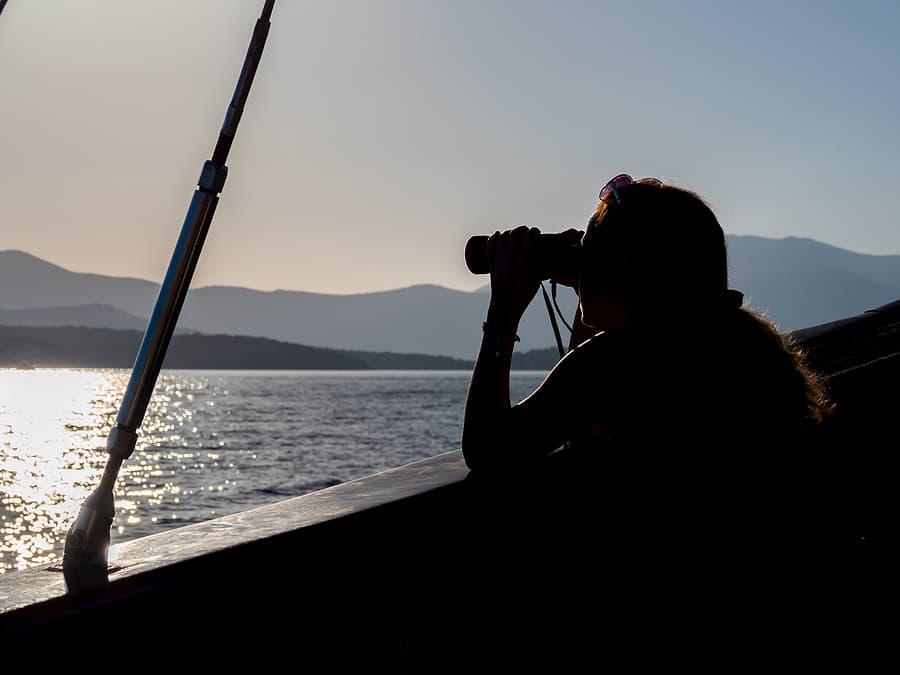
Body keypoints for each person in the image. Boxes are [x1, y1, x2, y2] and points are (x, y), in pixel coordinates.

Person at [461, 175, 833, 554]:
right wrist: (589, 290)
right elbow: (585, 418)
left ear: (623, 270)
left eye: (590, 254)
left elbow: (487, 449)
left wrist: (503, 309)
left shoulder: (618, 363)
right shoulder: (736, 341)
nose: (582, 264)